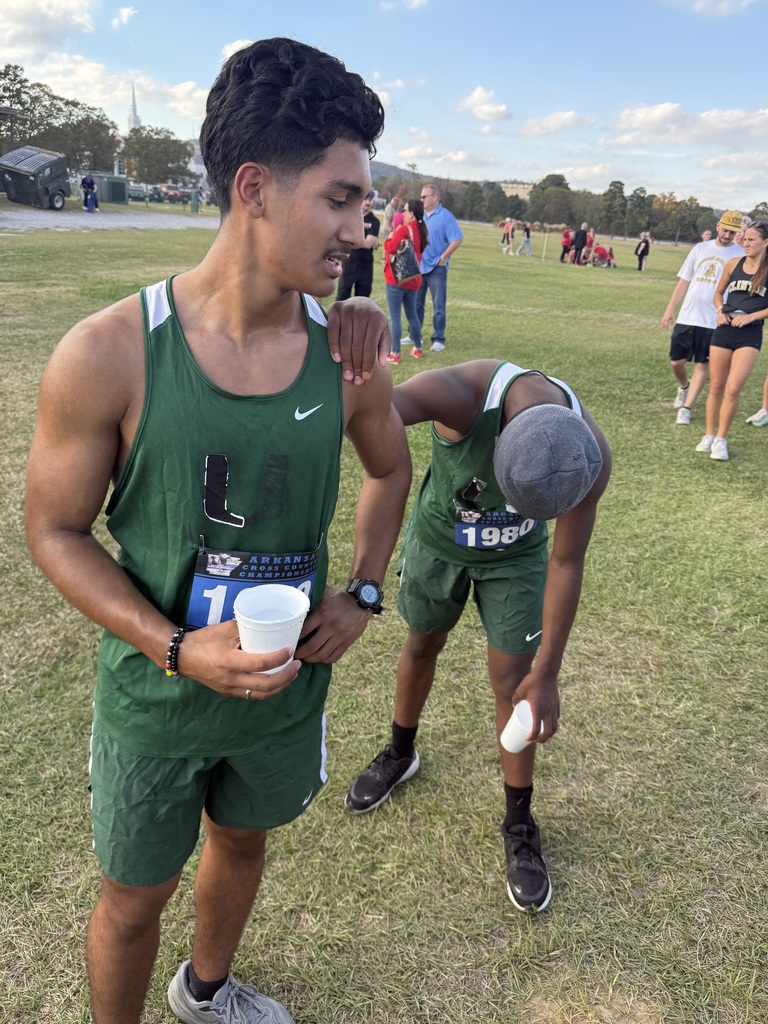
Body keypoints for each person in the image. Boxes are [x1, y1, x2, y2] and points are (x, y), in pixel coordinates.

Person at [25, 37, 411, 1024]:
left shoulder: (348, 351)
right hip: (155, 699)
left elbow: (391, 466)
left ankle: (206, 993)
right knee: (131, 897)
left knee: (244, 841)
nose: (360, 225)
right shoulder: (109, 352)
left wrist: (364, 589)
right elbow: (55, 533)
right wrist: (173, 644)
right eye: (338, 197)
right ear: (254, 187)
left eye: (362, 200)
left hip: (282, 696)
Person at [344, 359, 611, 913]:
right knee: (421, 643)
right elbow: (366, 414)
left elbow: (566, 561)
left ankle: (519, 820)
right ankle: (400, 752)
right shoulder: (457, 393)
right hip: (439, 543)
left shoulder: (587, 455)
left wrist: (549, 673)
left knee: (514, 680)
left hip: (516, 562)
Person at [661, 210, 744, 426]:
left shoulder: (740, 255)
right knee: (676, 362)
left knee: (701, 365)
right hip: (688, 316)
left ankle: (686, 408)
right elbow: (683, 282)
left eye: (733, 232)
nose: (727, 235)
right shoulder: (700, 249)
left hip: (714, 320)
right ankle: (683, 386)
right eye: (725, 230)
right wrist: (670, 308)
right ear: (718, 226)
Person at [696, 221, 768, 460]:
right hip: (724, 329)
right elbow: (718, 293)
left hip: (750, 332)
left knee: (733, 388)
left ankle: (721, 439)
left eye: (751, 240)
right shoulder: (733, 264)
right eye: (744, 239)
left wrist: (751, 317)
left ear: (765, 242)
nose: (745, 243)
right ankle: (708, 434)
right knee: (716, 386)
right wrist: (719, 311)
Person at [416, 184, 464, 352]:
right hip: (420, 267)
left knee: (438, 305)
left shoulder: (445, 217)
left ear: (434, 198)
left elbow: (457, 238)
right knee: (416, 304)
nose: (421, 200)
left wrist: (443, 257)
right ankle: (415, 335)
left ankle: (438, 338)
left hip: (437, 268)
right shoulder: (420, 216)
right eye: (421, 197)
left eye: (424, 197)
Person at [384, 197, 427, 363]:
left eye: (406, 210)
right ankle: (417, 348)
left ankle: (395, 353)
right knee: (412, 315)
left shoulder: (404, 230)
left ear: (412, 214)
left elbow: (390, 248)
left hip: (396, 279)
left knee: (395, 317)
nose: (403, 213)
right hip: (413, 279)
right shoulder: (422, 230)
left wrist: (390, 237)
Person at [337, 189, 380, 300]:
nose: (368, 202)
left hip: (365, 266)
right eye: (366, 199)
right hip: (349, 264)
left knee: (362, 302)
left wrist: (351, 239)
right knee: (342, 299)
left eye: (370, 199)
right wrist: (370, 241)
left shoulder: (374, 221)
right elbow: (341, 237)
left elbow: (367, 244)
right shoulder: (349, 218)